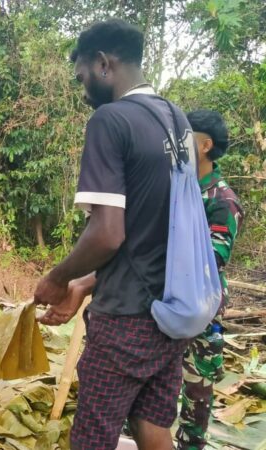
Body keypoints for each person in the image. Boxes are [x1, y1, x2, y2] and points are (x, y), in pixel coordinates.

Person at [33, 19, 198, 450]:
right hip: (172, 314)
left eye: (83, 77)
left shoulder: (111, 119)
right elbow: (154, 232)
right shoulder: (175, 120)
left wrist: (56, 277)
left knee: (93, 437)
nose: (83, 89)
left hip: (125, 321)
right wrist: (84, 285)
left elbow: (108, 235)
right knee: (153, 428)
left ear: (104, 64)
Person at [176, 110, 243, 450]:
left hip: (202, 311)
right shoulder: (176, 186)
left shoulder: (222, 200)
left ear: (204, 145)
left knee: (197, 393)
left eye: (184, 136)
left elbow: (213, 260)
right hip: (166, 303)